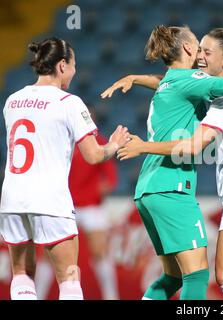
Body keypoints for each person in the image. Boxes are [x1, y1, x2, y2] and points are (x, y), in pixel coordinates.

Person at [107, 25, 223, 300]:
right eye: (199, 47)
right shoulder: (194, 83)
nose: (201, 56)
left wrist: (143, 144)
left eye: (207, 51)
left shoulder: (218, 95)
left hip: (178, 188)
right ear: (186, 49)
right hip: (177, 187)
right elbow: (211, 84)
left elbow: (195, 143)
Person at [0, 37, 129, 300]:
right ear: (61, 65)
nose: (74, 71)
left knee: (22, 273)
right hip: (50, 199)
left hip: (12, 198)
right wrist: (114, 146)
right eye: (73, 65)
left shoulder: (12, 100)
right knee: (69, 278)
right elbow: (93, 155)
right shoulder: (69, 102)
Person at [69, 130, 119, 300]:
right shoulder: (63, 139)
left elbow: (110, 178)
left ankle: (111, 296)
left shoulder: (99, 141)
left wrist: (95, 191)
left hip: (91, 206)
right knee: (50, 255)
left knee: (100, 252)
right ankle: (38, 293)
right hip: (66, 205)